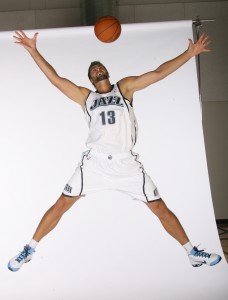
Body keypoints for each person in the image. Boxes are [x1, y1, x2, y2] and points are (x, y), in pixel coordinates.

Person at [8, 30, 221, 272]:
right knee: (61, 205)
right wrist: (34, 51)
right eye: (93, 70)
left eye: (99, 67)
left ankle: (192, 252)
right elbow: (56, 80)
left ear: (107, 72)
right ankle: (29, 249)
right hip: (95, 163)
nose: (97, 70)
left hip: (125, 164)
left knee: (160, 207)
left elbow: (159, 73)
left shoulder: (124, 89)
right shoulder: (85, 97)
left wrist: (189, 53)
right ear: (90, 79)